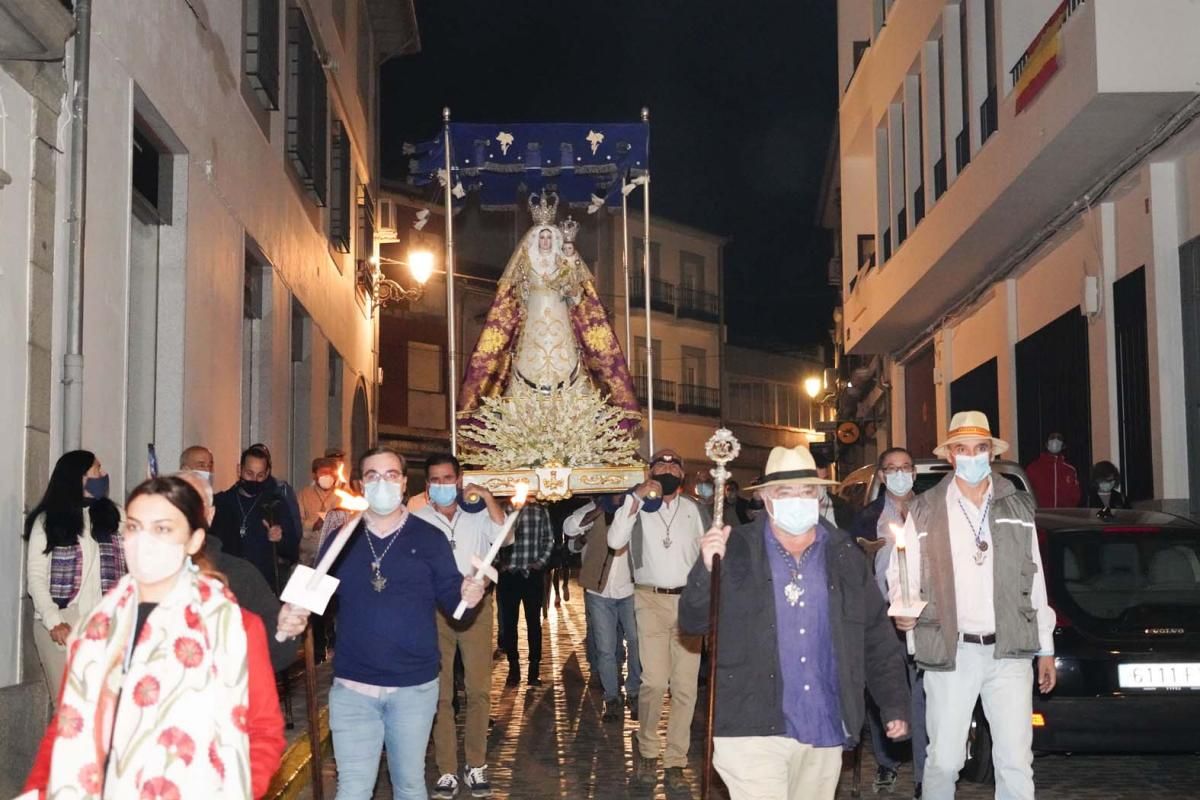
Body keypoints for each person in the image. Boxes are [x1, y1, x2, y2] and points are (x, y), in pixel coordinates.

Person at [24, 476, 286, 799]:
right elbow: (64, 729)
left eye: (162, 529)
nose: (143, 541)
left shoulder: (232, 626)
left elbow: (263, 732)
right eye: (134, 527)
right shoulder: (94, 629)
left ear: (194, 540)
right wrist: (36, 791)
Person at [679, 444, 911, 800]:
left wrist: (893, 704)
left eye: (807, 491)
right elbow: (693, 622)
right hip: (751, 724)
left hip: (823, 723)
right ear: (767, 499)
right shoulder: (735, 548)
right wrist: (705, 569)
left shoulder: (845, 556)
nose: (797, 500)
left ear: (820, 497)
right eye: (785, 493)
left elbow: (875, 638)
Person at [277, 446, 487, 800]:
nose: (383, 483)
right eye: (373, 476)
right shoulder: (342, 539)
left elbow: (457, 607)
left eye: (391, 475)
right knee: (353, 789)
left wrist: (470, 594)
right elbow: (314, 601)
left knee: (409, 784)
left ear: (404, 483)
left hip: (413, 687)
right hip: (353, 687)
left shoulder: (429, 539)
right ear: (360, 484)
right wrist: (292, 613)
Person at [890, 411, 1057, 800]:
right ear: (951, 456)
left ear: (990, 454)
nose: (971, 456)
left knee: (1016, 760)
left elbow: (1036, 580)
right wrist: (902, 607)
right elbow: (903, 573)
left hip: (1009, 650)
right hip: (952, 649)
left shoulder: (1017, 506)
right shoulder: (926, 507)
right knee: (945, 760)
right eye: (962, 449)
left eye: (980, 448)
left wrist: (1045, 648)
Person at [456, 196, 640, 446]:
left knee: (567, 360)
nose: (545, 241)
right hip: (533, 323)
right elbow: (511, 301)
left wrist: (571, 264)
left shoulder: (565, 262)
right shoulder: (524, 266)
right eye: (541, 237)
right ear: (533, 240)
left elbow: (578, 297)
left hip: (560, 320)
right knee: (526, 362)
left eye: (549, 237)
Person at [607, 448, 709, 792]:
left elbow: (710, 557)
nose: (667, 468)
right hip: (648, 599)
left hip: (688, 604)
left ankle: (676, 760)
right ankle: (648, 750)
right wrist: (633, 499)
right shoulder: (636, 508)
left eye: (673, 464)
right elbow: (615, 540)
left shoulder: (695, 511)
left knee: (684, 688)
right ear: (649, 473)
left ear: (682, 475)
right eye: (659, 465)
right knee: (653, 682)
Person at [411, 453, 508, 799]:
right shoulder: (417, 518)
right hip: (434, 612)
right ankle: (448, 769)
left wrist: (487, 498)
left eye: (447, 478)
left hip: (477, 609)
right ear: (427, 486)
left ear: (459, 479)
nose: (441, 485)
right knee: (441, 694)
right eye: (435, 480)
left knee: (479, 689)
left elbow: (505, 537)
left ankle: (477, 762)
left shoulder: (479, 514)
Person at [851, 447, 928, 795]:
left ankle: (926, 770)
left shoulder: (930, 510)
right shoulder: (868, 517)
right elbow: (852, 568)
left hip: (924, 613)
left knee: (924, 692)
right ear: (882, 475)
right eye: (892, 469)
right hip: (881, 614)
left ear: (914, 472)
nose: (899, 474)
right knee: (882, 688)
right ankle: (886, 763)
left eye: (905, 467)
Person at [23, 450, 126, 700]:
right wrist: (53, 620)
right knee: (70, 708)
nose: (103, 475)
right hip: (63, 621)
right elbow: (36, 578)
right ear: (78, 476)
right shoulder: (48, 521)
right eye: (97, 469)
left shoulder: (115, 515)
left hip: (106, 622)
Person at [178, 469, 298, 672]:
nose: (183, 514)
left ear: (210, 514)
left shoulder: (240, 575)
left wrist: (285, 629)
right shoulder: (145, 579)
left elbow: (275, 653)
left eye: (194, 505)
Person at [565, 497, 641, 722]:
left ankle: (634, 691)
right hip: (599, 592)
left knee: (637, 641)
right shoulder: (593, 509)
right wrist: (599, 510)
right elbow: (569, 529)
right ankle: (612, 698)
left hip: (631, 588)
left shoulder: (636, 508)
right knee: (606, 648)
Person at [211, 445, 301, 591]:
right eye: (249, 473)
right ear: (239, 470)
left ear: (267, 475)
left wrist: (280, 539)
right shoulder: (222, 502)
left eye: (260, 475)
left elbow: (293, 551)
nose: (254, 480)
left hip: (262, 584)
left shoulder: (275, 504)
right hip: (227, 582)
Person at [498, 498, 554, 686]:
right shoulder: (503, 507)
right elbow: (493, 537)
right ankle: (513, 667)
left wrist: (540, 563)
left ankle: (534, 668)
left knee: (534, 623)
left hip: (531, 574)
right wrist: (500, 564)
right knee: (509, 623)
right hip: (509, 575)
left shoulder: (540, 509)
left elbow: (548, 539)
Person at [298, 457, 341, 566]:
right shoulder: (304, 494)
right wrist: (313, 525)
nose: (327, 476)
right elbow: (296, 522)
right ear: (314, 475)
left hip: (335, 555)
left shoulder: (343, 496)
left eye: (330, 473)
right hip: (308, 556)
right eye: (323, 473)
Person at [1025, 431, 1082, 508]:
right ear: (1046, 444)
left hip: (1065, 515)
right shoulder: (1033, 468)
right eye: (1052, 438)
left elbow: (1075, 495)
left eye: (1059, 439)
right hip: (1040, 515)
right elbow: (1026, 493)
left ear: (1063, 446)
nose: (1055, 441)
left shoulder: (1070, 470)